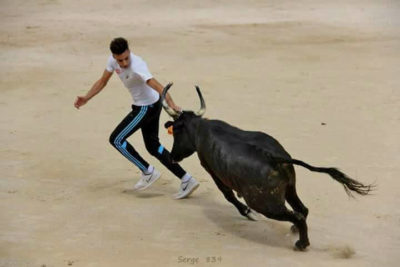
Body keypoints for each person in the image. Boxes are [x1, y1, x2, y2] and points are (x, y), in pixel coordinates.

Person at [74, 37, 199, 199]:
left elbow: (158, 86)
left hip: (146, 107)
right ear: (114, 56)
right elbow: (103, 81)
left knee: (117, 139)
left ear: (129, 52)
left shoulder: (138, 65)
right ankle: (187, 179)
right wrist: (87, 97)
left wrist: (171, 103)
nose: (124, 63)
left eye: (126, 58)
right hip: (152, 105)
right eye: (120, 60)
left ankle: (147, 171)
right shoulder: (112, 62)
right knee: (154, 147)